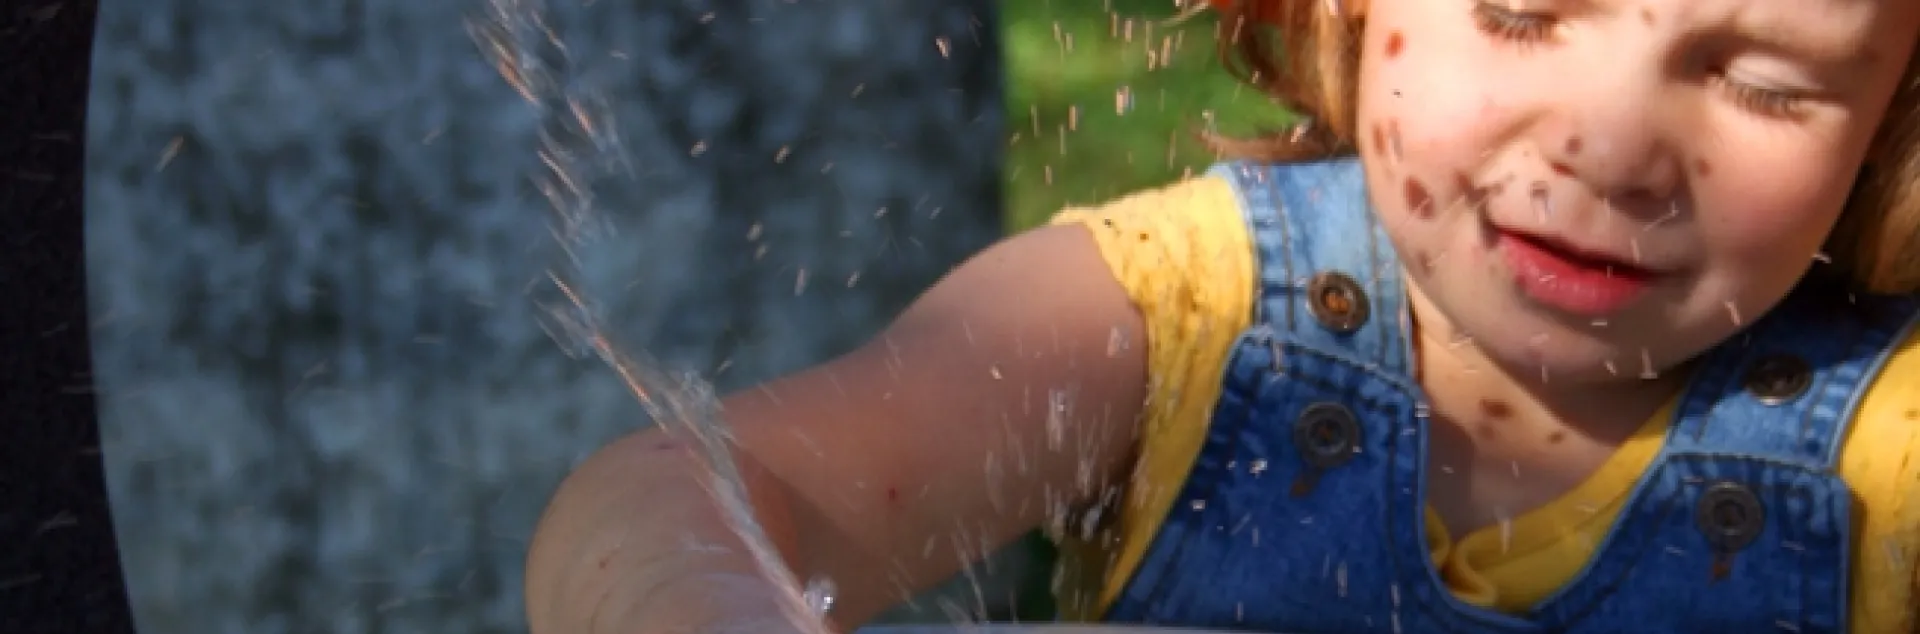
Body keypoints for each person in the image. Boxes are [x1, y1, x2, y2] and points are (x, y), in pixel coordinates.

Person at [524, 0, 1920, 632]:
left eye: (1770, 85)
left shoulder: (1884, 455)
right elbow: (665, 498)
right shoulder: (1188, 310)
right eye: (1517, 15)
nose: (1614, 149)